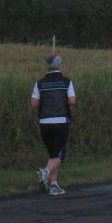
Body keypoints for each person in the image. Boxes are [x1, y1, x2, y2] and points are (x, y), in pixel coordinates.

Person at [31, 54, 76, 196]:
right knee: (59, 155)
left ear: (47, 66)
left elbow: (34, 103)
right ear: (60, 66)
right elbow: (72, 101)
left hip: (45, 123)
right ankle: (45, 172)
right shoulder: (66, 82)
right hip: (61, 121)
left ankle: (54, 185)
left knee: (53, 154)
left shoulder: (39, 83)